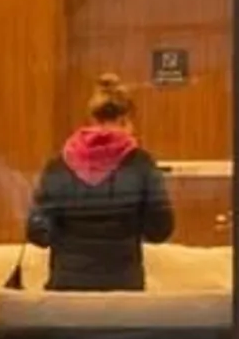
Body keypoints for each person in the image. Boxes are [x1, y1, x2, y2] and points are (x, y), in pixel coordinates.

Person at [26, 72, 176, 293]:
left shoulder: (58, 165)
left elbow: (37, 233)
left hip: (67, 291)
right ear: (126, 120)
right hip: (123, 290)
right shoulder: (141, 164)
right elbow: (161, 229)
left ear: (92, 119)